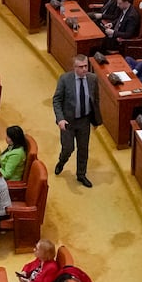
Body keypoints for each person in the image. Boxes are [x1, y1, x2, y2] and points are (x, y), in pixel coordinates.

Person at [51, 55, 100, 186]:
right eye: (81, 67)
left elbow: (95, 100)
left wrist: (96, 120)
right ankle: (61, 161)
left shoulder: (92, 79)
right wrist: (60, 119)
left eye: (86, 66)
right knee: (68, 148)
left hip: (84, 121)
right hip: (68, 122)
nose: (85, 69)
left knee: (83, 149)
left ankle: (81, 174)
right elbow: (57, 100)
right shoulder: (65, 79)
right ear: (74, 68)